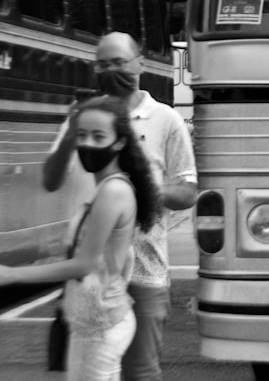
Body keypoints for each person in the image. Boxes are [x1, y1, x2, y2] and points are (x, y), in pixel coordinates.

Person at [44, 32, 197, 381]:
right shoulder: (83, 119)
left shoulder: (166, 119)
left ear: (139, 64)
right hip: (89, 278)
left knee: (140, 373)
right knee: (87, 370)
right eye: (103, 64)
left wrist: (141, 190)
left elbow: (188, 191)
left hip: (144, 271)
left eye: (119, 63)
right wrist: (71, 133)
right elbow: (51, 179)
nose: (111, 70)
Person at [0, 96, 160, 381]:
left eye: (99, 137)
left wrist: (12, 274)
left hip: (98, 326)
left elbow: (84, 265)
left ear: (120, 142)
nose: (88, 144)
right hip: (97, 320)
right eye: (81, 135)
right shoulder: (109, 188)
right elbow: (120, 258)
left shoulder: (113, 191)